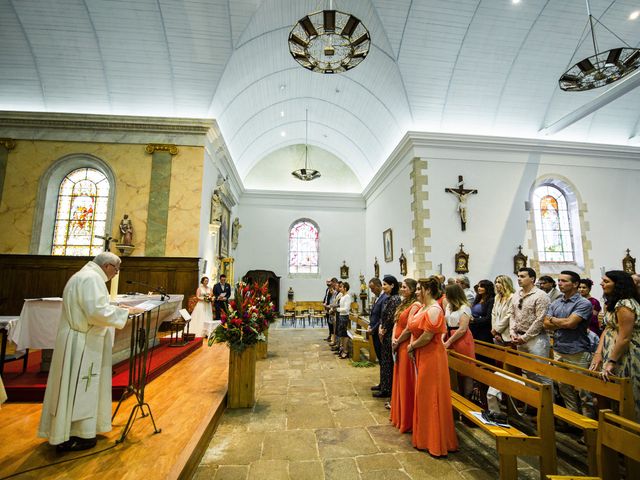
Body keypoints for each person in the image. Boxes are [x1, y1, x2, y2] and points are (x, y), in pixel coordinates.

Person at [38, 252, 137, 451]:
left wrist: (116, 309)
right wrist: (126, 313)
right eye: (116, 269)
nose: (116, 274)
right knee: (80, 385)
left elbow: (92, 307)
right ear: (108, 265)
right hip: (82, 342)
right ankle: (77, 433)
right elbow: (96, 312)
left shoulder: (81, 276)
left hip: (76, 338)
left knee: (70, 386)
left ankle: (69, 430)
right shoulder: (92, 279)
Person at [407, 277, 458, 456]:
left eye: (419, 289)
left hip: (432, 357)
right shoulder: (423, 307)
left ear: (428, 290)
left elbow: (428, 337)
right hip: (423, 354)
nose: (416, 291)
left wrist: (412, 346)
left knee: (432, 396)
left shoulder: (435, 309)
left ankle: (435, 441)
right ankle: (425, 437)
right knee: (424, 395)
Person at [544, 271, 595, 418]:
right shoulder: (556, 302)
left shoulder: (583, 303)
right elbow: (546, 324)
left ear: (575, 284)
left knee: (583, 391)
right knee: (563, 387)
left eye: (564, 281)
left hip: (577, 350)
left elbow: (571, 323)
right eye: (559, 280)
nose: (560, 283)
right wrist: (561, 322)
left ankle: (588, 427)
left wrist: (555, 320)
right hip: (559, 349)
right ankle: (572, 420)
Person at [590, 270, 640, 421]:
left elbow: (624, 337)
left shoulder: (625, 304)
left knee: (629, 395)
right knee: (615, 395)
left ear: (618, 284)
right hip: (613, 352)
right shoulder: (614, 302)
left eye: (606, 281)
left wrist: (611, 362)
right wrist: (598, 354)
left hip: (626, 355)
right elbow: (608, 328)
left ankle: (631, 432)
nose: (601, 284)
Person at [508, 267, 552, 387]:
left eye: (522, 276)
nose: (519, 279)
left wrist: (525, 337)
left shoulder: (541, 295)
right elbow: (512, 314)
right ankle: (532, 403)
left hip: (536, 339)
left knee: (541, 374)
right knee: (527, 372)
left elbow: (540, 319)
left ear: (532, 278)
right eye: (518, 276)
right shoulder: (516, 294)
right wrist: (512, 332)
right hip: (519, 337)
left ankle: (549, 404)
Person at [390, 278, 420, 431]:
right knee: (399, 378)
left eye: (404, 287)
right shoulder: (404, 303)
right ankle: (399, 414)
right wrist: (393, 339)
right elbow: (397, 322)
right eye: (401, 287)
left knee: (405, 380)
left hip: (404, 344)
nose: (401, 289)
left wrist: (398, 341)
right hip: (398, 343)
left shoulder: (415, 305)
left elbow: (409, 328)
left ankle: (407, 418)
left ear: (413, 289)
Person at [443, 283, 475, 398]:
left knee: (465, 369)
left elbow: (462, 329)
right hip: (449, 335)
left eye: (447, 293)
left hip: (462, 339)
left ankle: (467, 396)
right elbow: (445, 323)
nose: (445, 295)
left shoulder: (464, 307)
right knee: (453, 368)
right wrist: (443, 338)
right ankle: (456, 394)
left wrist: (449, 341)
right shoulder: (449, 306)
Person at [375, 276, 401, 398]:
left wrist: (383, 329)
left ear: (392, 285)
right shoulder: (389, 298)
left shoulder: (395, 299)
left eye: (385, 284)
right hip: (384, 331)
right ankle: (383, 384)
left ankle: (387, 389)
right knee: (384, 360)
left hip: (389, 333)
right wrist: (380, 326)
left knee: (387, 361)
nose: (383, 286)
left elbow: (391, 317)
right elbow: (383, 315)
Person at [368, 277, 387, 391]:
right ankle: (382, 383)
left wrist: (373, 328)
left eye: (372, 288)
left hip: (379, 333)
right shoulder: (378, 297)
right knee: (380, 360)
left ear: (378, 285)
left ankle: (384, 385)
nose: (371, 291)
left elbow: (381, 318)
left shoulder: (384, 298)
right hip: (374, 332)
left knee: (382, 360)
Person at [469, 279, 495, 345]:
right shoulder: (478, 298)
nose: (479, 288)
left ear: (488, 288)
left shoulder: (491, 300)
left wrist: (474, 320)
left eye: (482, 287)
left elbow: (488, 318)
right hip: (474, 328)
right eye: (479, 286)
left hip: (483, 331)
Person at [491, 275, 515, 345]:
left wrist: (497, 329)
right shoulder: (497, 297)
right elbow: (494, 313)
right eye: (496, 282)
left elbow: (509, 315)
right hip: (496, 333)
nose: (496, 284)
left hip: (507, 333)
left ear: (506, 284)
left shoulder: (512, 297)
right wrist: (494, 330)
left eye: (499, 282)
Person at [335, 282, 352, 359]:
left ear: (345, 288)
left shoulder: (347, 297)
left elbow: (346, 309)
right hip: (341, 316)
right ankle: (342, 349)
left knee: (344, 334)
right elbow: (339, 304)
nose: (340, 288)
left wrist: (337, 309)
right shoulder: (342, 296)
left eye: (341, 287)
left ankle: (346, 351)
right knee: (341, 334)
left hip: (345, 317)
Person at [322, 278, 334, 342]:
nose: (328, 283)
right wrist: (323, 302)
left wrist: (328, 306)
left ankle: (332, 336)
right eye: (327, 282)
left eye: (329, 282)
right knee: (328, 322)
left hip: (330, 308)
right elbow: (326, 297)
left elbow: (332, 299)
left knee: (331, 323)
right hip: (326, 307)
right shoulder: (327, 289)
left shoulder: (332, 290)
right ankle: (330, 335)